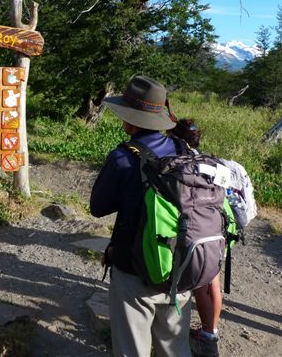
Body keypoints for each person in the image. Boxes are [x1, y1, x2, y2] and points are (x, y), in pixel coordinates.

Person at [90, 76, 192, 357]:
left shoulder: (123, 157)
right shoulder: (183, 150)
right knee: (175, 347)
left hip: (134, 267)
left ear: (130, 120)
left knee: (131, 349)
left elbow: (97, 207)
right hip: (180, 264)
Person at [169, 118, 221, 357]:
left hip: (197, 232)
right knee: (212, 282)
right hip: (217, 230)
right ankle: (211, 332)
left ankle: (207, 341)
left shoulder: (180, 163)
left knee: (200, 285)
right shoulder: (209, 161)